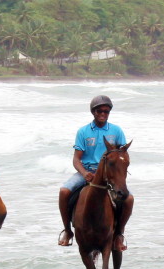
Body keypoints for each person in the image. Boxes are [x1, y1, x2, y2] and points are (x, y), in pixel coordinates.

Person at [57, 94, 134, 250]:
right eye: (99, 111)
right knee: (64, 192)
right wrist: (84, 173)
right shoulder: (83, 132)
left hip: (109, 174)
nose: (103, 114)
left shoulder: (116, 131)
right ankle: (67, 230)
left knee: (129, 199)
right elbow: (76, 159)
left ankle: (119, 234)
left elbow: (122, 155)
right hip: (87, 171)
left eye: (106, 111)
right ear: (93, 112)